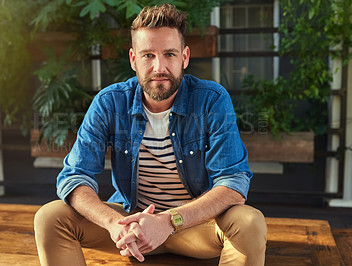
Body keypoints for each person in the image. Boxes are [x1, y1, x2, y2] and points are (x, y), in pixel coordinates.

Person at [34, 4, 267, 266]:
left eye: (169, 54)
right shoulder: (110, 102)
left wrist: (168, 221)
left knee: (250, 222)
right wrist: (113, 224)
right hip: (130, 227)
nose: (159, 67)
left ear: (185, 57)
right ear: (133, 59)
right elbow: (74, 176)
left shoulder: (211, 100)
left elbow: (233, 184)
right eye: (148, 55)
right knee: (50, 217)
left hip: (192, 226)